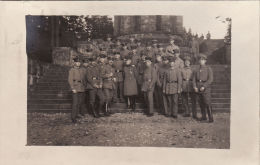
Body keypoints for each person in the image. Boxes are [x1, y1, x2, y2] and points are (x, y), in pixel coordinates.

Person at [192, 54, 214, 122]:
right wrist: (195, 87)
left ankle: (210, 118)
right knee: (201, 103)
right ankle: (204, 116)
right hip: (198, 87)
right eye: (200, 60)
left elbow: (210, 79)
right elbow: (193, 79)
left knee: (207, 103)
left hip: (206, 88)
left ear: (205, 61)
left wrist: (204, 86)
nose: (201, 61)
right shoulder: (196, 69)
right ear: (198, 61)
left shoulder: (208, 69)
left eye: (203, 60)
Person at [68, 57, 86, 123]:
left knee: (79, 102)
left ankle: (77, 114)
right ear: (74, 62)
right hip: (75, 87)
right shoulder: (72, 70)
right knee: (75, 103)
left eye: (79, 62)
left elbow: (84, 79)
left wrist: (84, 86)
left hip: (81, 87)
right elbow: (70, 80)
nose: (78, 63)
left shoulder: (82, 70)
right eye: (77, 62)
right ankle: (73, 117)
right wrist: (72, 88)